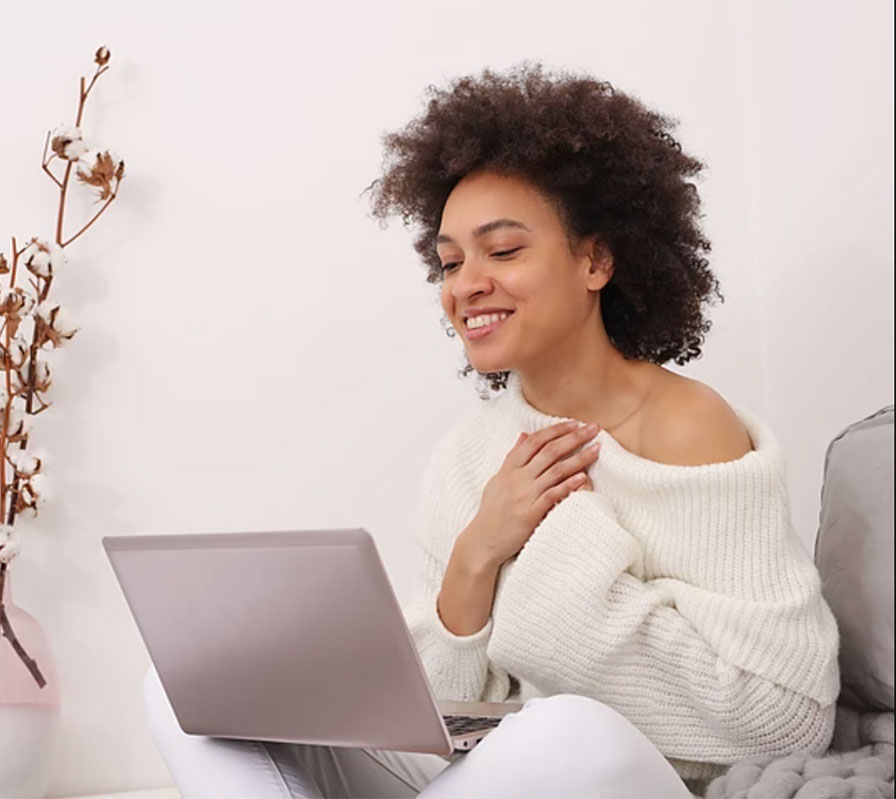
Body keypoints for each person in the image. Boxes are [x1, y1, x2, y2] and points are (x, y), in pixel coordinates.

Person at [142, 60, 841, 798]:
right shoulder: (469, 459)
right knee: (188, 683)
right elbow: (442, 717)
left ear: (595, 259)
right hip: (486, 775)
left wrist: (551, 543)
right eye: (450, 261)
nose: (465, 283)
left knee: (565, 727)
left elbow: (786, 720)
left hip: (627, 773)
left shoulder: (689, 426)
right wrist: (476, 555)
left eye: (503, 251)